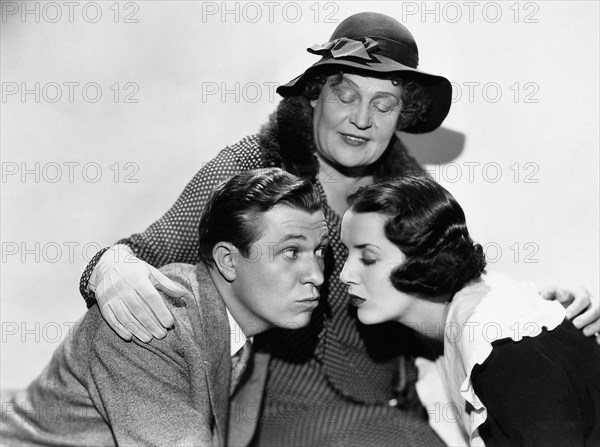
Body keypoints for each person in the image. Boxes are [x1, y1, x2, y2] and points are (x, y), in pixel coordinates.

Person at [78, 12, 599, 446]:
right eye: (346, 94)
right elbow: (137, 254)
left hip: (395, 407)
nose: (361, 119)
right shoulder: (248, 172)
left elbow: (444, 298)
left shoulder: (408, 193)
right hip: (273, 412)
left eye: (383, 103)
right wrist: (111, 270)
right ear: (314, 99)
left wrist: (535, 313)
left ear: (402, 115)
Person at [1, 168, 328, 446]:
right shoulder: (151, 321)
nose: (316, 275)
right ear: (228, 261)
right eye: (290, 252)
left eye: (320, 252)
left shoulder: (231, 327)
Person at [340, 175, 600, 446]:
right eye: (346, 254)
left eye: (368, 258)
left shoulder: (503, 350)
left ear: (425, 258)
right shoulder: (457, 330)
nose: (345, 275)